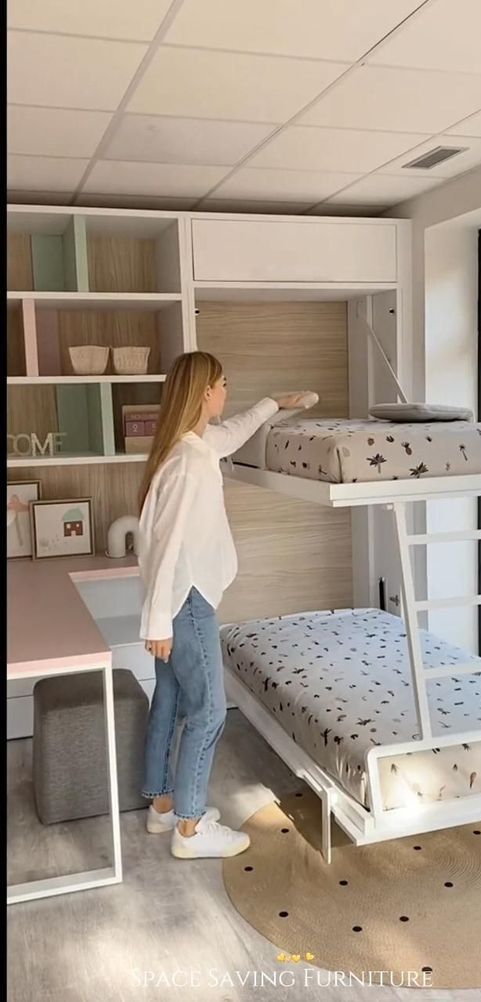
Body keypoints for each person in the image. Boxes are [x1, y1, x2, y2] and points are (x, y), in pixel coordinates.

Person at [137, 350, 308, 859]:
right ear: (204, 392)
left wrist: (273, 403)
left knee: (168, 701)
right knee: (210, 710)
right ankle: (190, 829)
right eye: (223, 383)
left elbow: (231, 432)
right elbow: (165, 545)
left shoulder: (190, 446)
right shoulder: (189, 463)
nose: (226, 391)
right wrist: (159, 621)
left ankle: (164, 805)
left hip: (177, 600)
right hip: (186, 602)